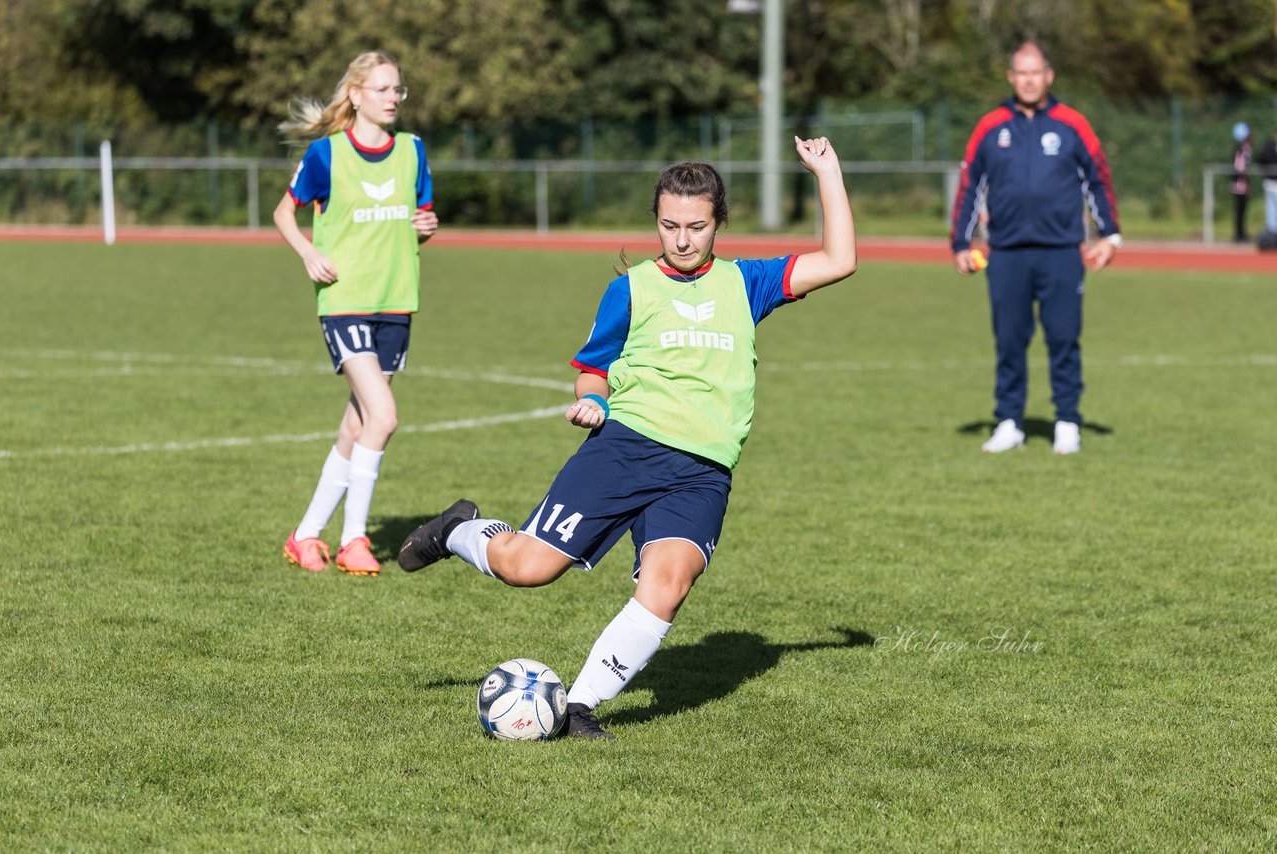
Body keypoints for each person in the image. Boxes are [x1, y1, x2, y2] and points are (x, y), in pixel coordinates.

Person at [397, 137, 857, 739]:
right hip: (626, 449)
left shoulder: (748, 283)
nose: (684, 239)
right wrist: (592, 399)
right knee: (528, 569)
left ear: (718, 222)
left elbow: (839, 259)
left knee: (667, 586)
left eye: (697, 226)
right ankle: (457, 528)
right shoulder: (632, 288)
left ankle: (578, 707)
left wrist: (828, 172)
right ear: (656, 223)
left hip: (702, 472)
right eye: (670, 226)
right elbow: (595, 365)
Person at [273, 51, 438, 576]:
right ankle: (353, 540)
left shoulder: (413, 151)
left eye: (399, 91)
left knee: (357, 425)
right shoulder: (327, 155)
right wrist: (307, 252)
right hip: (344, 302)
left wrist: (426, 227)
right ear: (357, 94)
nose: (394, 99)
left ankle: (304, 536)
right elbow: (284, 211)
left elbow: (419, 220)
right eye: (384, 89)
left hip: (396, 299)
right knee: (384, 417)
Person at [951, 41, 1121, 455]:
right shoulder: (990, 127)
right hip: (1006, 252)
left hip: (1062, 250)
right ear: (1011, 77)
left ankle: (1067, 422)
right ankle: (1009, 422)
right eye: (1020, 73)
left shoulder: (1072, 124)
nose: (1028, 80)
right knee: (1009, 339)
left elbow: (1097, 179)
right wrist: (961, 241)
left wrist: (1109, 234)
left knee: (1063, 337)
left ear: (1049, 75)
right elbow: (970, 185)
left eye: (1036, 72)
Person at [1230, 122, 1253, 243]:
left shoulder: (1237, 147)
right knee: (1240, 211)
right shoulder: (1244, 148)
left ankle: (1240, 234)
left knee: (1240, 211)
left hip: (1237, 183)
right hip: (1240, 184)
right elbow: (1241, 167)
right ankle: (1239, 235)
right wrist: (1247, 184)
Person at [1255, 130, 1277, 237]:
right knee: (1271, 209)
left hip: (1272, 182)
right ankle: (1272, 232)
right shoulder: (1269, 147)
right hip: (1270, 182)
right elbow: (1261, 159)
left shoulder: (1268, 146)